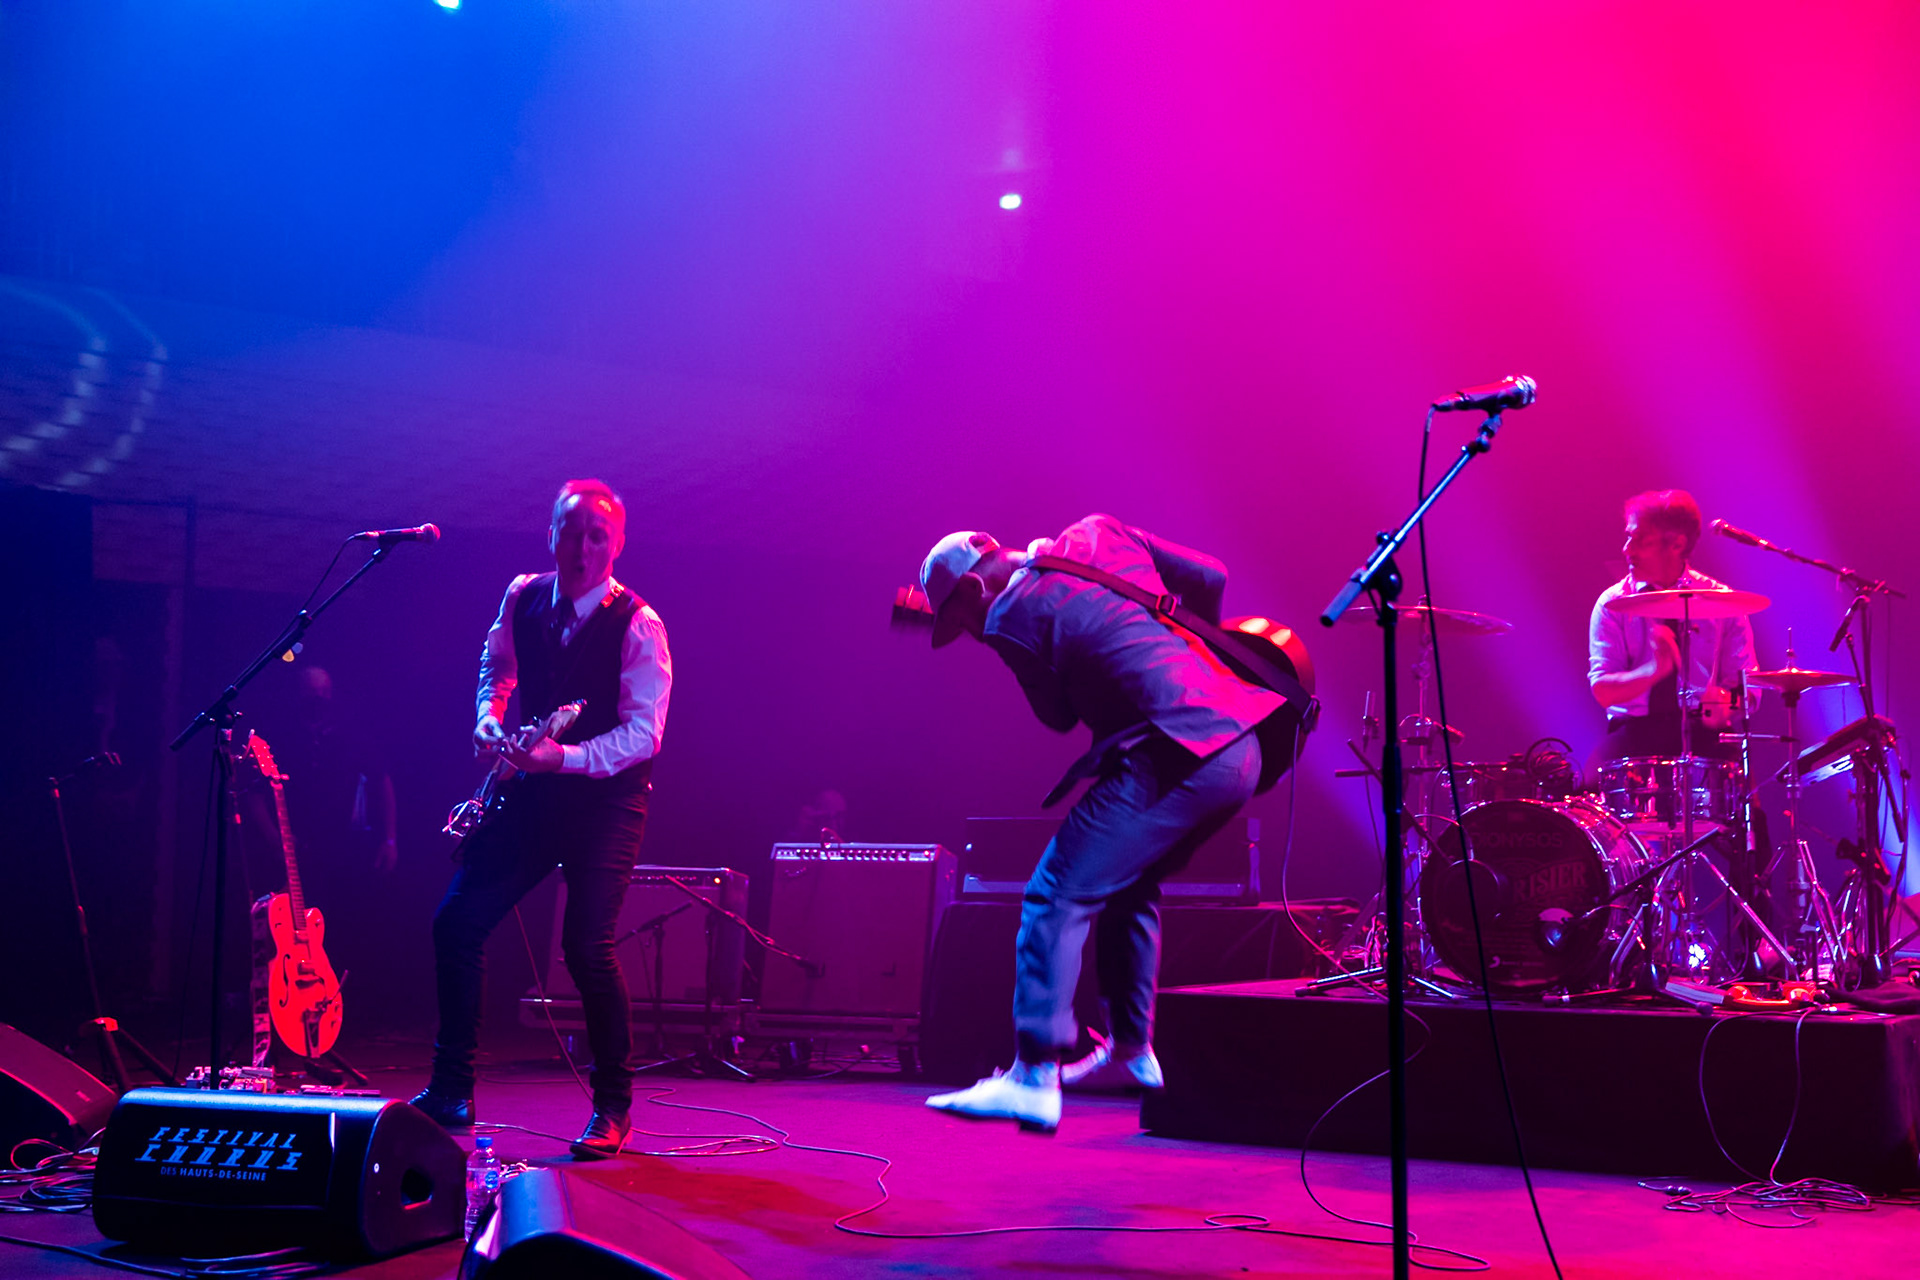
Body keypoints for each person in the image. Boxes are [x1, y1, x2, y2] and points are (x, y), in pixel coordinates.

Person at [915, 514, 1287, 1132]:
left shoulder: (1009, 616)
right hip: (1237, 743)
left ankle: (1033, 1075)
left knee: (1054, 892)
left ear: (976, 590)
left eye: (963, 623)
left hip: (1176, 751)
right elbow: (1211, 576)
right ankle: (1129, 1050)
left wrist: (1038, 649)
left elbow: (1057, 717)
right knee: (1128, 888)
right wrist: (1177, 654)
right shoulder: (1098, 533)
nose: (973, 635)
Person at [410, 479, 671, 1160]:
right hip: (534, 788)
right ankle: (451, 1089)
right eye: (571, 531)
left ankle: (613, 1106)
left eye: (597, 536)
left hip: (606, 799)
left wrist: (566, 757)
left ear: (617, 545)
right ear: (549, 534)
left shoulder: (639, 623)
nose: (583, 548)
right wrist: (487, 717)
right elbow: (495, 664)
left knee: (587, 948)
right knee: (457, 921)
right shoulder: (523, 594)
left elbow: (644, 735)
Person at [1588, 489, 1758, 762]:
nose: (1626, 549)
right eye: (1628, 536)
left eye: (1639, 539)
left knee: (1748, 802)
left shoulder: (1723, 603)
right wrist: (1653, 671)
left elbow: (1749, 687)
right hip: (1635, 732)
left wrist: (1727, 703)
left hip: (1705, 731)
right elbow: (1603, 691)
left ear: (1677, 544)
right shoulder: (1612, 604)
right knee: (1586, 792)